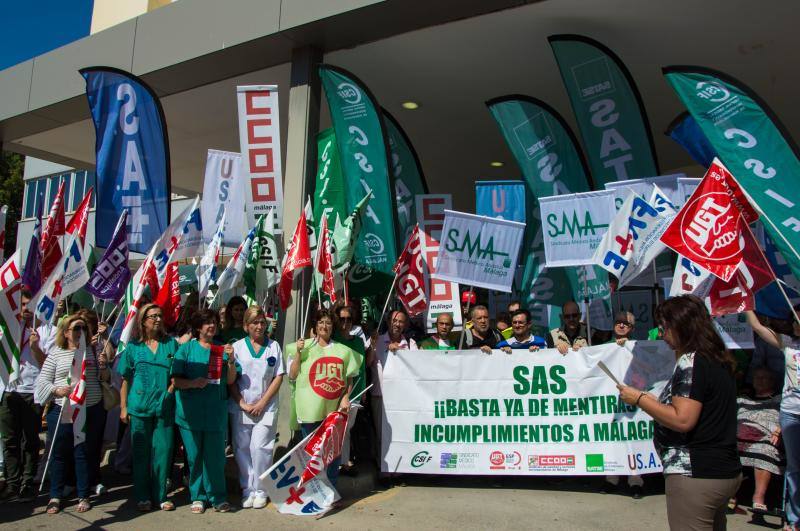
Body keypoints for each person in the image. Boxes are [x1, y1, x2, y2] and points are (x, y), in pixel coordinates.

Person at [618, 295, 741, 530]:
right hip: (721, 469)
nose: (662, 335)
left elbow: (682, 419)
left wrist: (640, 398)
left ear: (682, 326)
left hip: (695, 474)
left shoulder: (691, 362)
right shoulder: (718, 358)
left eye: (664, 328)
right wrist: (657, 402)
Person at [34, 314, 110, 515]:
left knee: (83, 452)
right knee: (60, 453)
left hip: (91, 408)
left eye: (84, 328)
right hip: (64, 409)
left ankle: (83, 494)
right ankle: (55, 495)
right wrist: (57, 390)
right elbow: (43, 381)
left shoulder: (93, 350)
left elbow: (104, 378)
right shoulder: (57, 353)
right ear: (66, 332)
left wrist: (103, 367)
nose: (80, 332)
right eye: (76, 328)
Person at [171, 309, 236, 513]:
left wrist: (232, 360)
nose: (212, 326)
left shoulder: (221, 350)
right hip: (190, 415)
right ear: (198, 327)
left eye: (215, 322)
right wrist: (192, 383)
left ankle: (218, 496)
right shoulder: (186, 350)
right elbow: (175, 380)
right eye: (207, 323)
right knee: (195, 456)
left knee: (216, 457)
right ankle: (198, 496)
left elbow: (232, 379)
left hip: (215, 413)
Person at [288, 309, 361, 486]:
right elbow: (292, 375)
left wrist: (345, 398)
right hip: (309, 410)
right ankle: (311, 489)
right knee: (311, 452)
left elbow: (348, 376)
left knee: (332, 451)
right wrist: (298, 352)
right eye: (321, 322)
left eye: (328, 322)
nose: (324, 326)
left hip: (333, 410)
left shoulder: (343, 350)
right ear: (315, 325)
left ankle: (330, 488)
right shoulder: (303, 347)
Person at [118, 303, 180, 511]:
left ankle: (161, 495)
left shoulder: (171, 344)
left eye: (160, 315)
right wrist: (123, 407)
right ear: (143, 321)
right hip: (139, 407)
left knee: (163, 452)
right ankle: (143, 495)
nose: (158, 319)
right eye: (152, 316)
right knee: (141, 453)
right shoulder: (133, 347)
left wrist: (170, 390)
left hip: (164, 408)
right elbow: (125, 379)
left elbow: (177, 374)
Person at [743, 309, 800, 529]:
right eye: (793, 320)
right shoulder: (788, 343)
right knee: (795, 468)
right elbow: (758, 327)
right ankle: (794, 518)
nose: (795, 324)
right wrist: (746, 305)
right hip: (790, 412)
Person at [229, 306, 284, 509]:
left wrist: (262, 402)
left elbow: (279, 376)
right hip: (241, 406)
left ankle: (261, 489)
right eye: (254, 322)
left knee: (260, 448)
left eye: (262, 322)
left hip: (266, 407)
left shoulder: (274, 347)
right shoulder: (237, 348)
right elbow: (231, 379)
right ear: (246, 326)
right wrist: (241, 402)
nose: (259, 326)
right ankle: (247, 489)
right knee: (242, 448)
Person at [0, 289, 44, 502]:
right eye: (23, 305)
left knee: (30, 441)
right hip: (8, 390)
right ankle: (11, 483)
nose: (26, 309)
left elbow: (47, 364)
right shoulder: (5, 330)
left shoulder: (44, 330)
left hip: (31, 391)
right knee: (9, 440)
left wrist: (35, 347)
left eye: (29, 305)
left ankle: (27, 483)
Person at [602, 310, 644, 498]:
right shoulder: (604, 347)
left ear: (632, 328)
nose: (621, 326)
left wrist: (626, 347)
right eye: (618, 322)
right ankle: (612, 479)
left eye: (625, 324)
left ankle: (635, 481)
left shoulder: (638, 347)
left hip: (633, 403)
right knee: (612, 441)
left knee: (633, 441)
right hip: (610, 404)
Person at [368, 309, 417, 466]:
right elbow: (367, 364)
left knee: (400, 434)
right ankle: (383, 468)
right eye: (394, 321)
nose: (397, 324)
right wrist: (374, 347)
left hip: (402, 397)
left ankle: (399, 467)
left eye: (401, 321)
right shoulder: (377, 339)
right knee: (381, 436)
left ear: (406, 325)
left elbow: (417, 368)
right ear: (388, 322)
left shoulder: (411, 344)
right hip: (380, 395)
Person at [733, 367, 783, 514]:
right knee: (725, 448)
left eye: (764, 378)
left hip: (767, 438)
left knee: (764, 449)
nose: (759, 381)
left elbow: (788, 418)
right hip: (740, 436)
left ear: (773, 382)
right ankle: (729, 497)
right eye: (756, 378)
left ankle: (758, 498)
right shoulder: (743, 399)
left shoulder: (780, 400)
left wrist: (780, 429)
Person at [333, 302, 368, 475]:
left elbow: (362, 368)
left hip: (356, 392)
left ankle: (343, 461)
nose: (345, 323)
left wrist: (364, 391)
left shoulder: (359, 342)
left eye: (349, 319)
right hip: (335, 393)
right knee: (339, 428)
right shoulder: (332, 341)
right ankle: (341, 462)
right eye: (342, 319)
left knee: (347, 428)